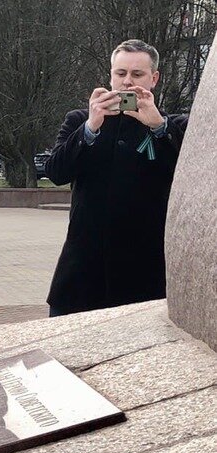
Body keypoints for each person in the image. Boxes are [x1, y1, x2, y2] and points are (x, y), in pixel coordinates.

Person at [45, 39, 188, 317]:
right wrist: (90, 128)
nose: (126, 83)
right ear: (110, 75)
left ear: (154, 78)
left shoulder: (173, 125)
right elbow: (55, 173)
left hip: (144, 273)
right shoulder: (79, 120)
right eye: (120, 74)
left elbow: (190, 174)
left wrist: (159, 126)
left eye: (137, 75)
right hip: (82, 273)